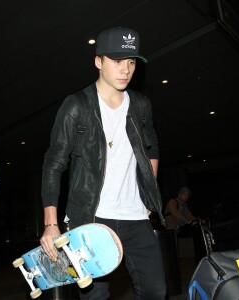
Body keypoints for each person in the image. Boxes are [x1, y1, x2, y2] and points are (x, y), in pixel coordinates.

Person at [40, 27, 166, 299]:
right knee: (95, 295)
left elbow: (151, 147)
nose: (126, 70)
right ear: (98, 61)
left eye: (131, 62)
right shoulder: (76, 106)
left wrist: (148, 197)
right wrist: (51, 223)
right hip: (91, 218)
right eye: (117, 61)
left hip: (135, 216)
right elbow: (54, 163)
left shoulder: (141, 105)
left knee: (156, 290)